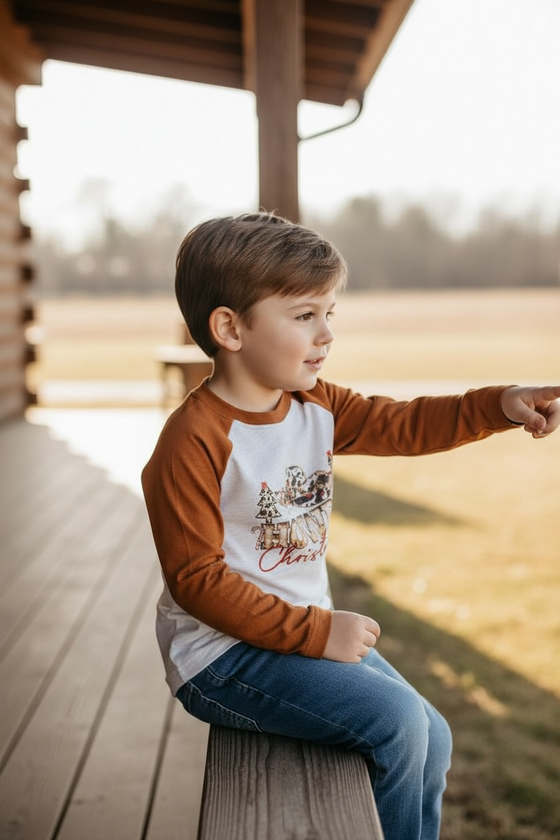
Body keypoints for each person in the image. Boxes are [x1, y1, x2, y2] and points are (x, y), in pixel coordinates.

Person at [141, 212, 560, 840]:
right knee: (397, 721)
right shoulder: (192, 441)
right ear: (230, 327)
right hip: (222, 660)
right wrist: (315, 632)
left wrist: (496, 406)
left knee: (433, 735)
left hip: (288, 637)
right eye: (305, 315)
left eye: (330, 312)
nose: (327, 334)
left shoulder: (315, 405)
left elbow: (404, 424)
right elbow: (197, 581)